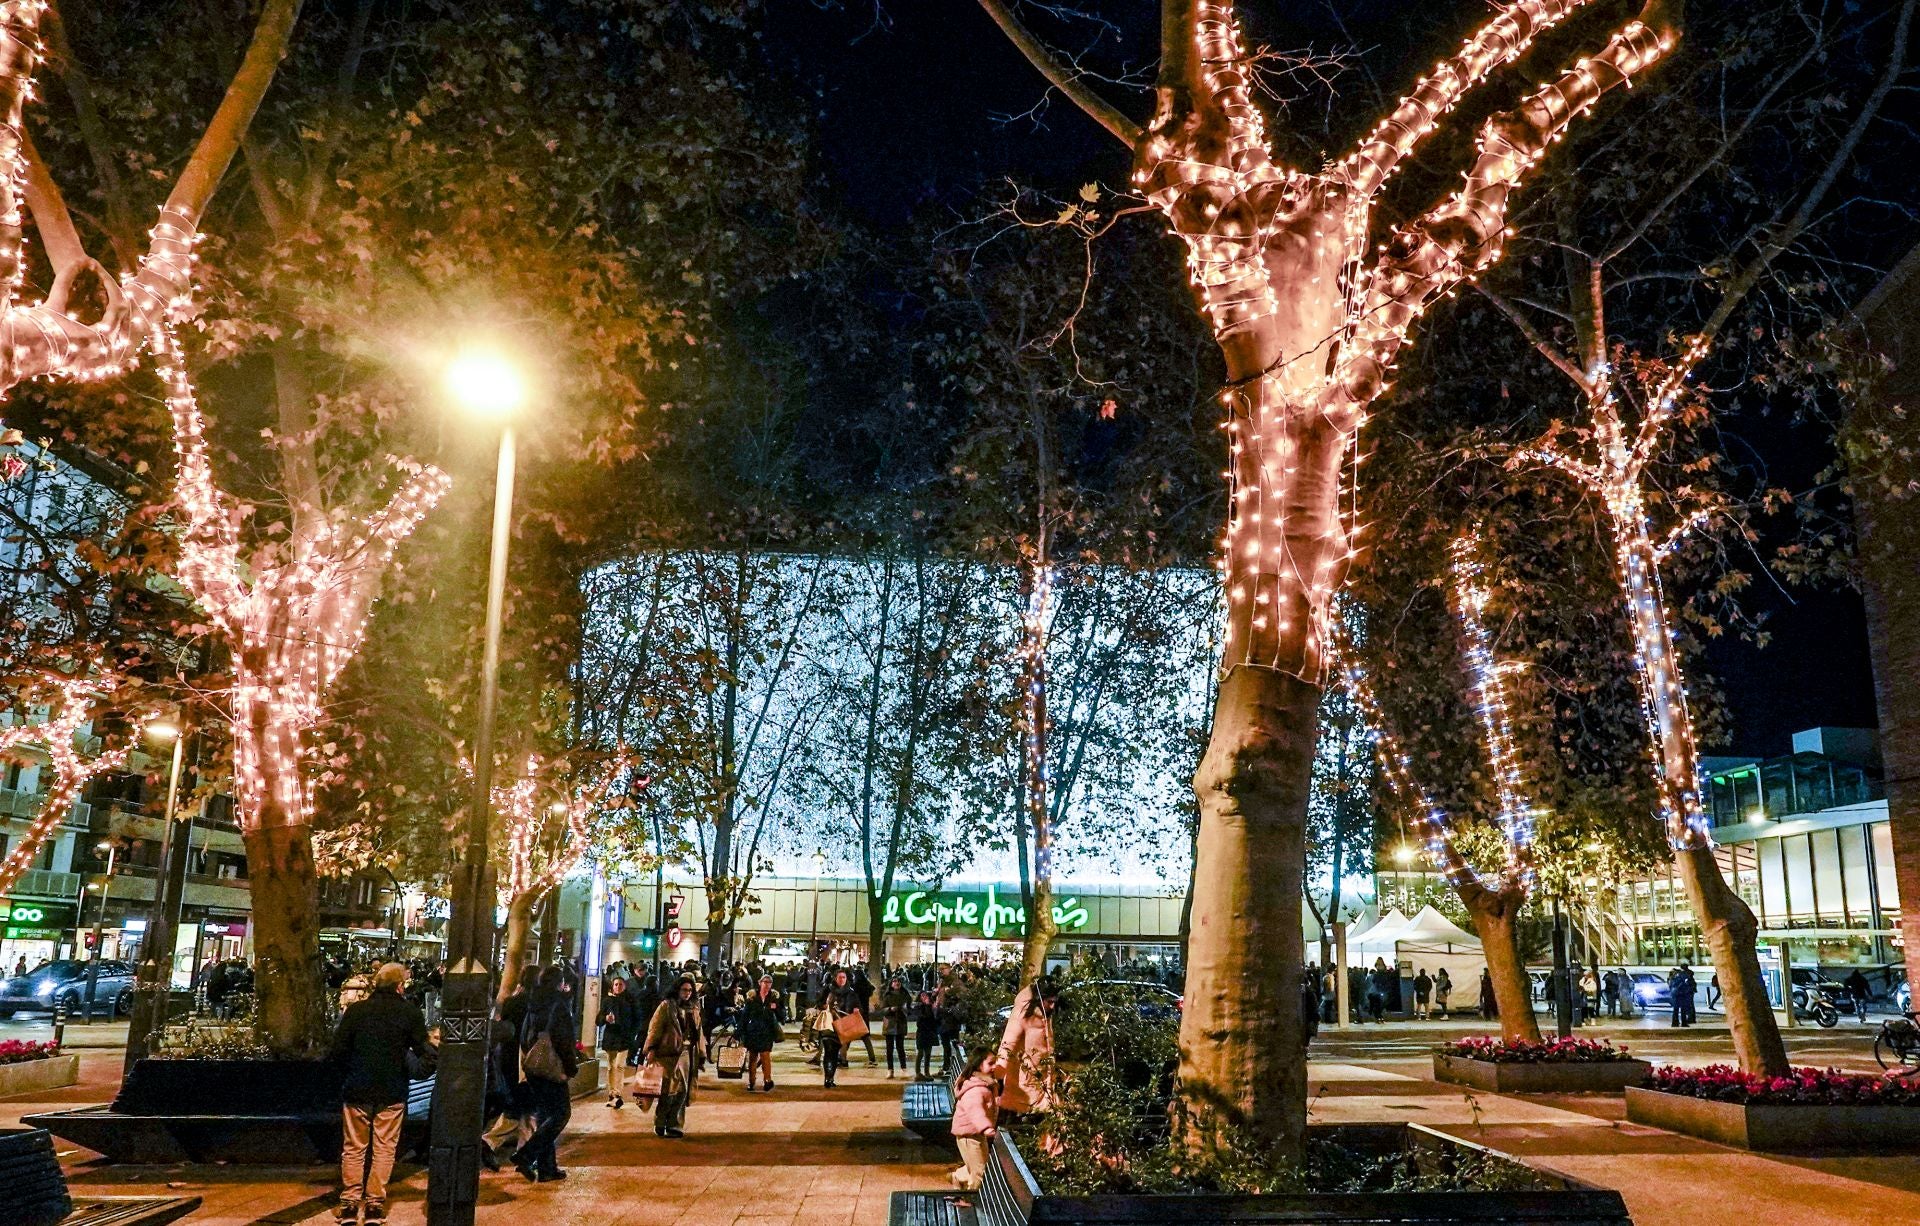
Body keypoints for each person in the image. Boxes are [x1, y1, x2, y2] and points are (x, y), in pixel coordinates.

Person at [328, 962, 433, 1225]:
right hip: (392, 1090)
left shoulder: (357, 1011)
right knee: (385, 1148)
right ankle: (375, 1204)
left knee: (354, 1147)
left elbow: (338, 1051)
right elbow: (424, 1050)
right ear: (400, 986)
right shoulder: (409, 1013)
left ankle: (350, 1203)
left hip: (357, 1088)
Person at [515, 966, 579, 1182]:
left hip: (534, 1066)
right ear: (559, 983)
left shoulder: (533, 1003)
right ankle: (526, 1154)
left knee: (545, 1115)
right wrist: (571, 1067)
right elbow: (564, 1041)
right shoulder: (558, 1006)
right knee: (561, 1113)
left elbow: (524, 1035)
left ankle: (547, 1168)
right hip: (552, 1067)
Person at [644, 976, 704, 1135]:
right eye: (684, 990)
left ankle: (675, 1124)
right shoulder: (667, 1006)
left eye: (690, 990)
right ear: (677, 990)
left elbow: (699, 1032)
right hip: (668, 1053)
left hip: (687, 1052)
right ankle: (660, 1121)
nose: (687, 993)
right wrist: (651, 1049)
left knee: (682, 1090)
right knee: (667, 1090)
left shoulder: (694, 1008)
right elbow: (655, 1028)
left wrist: (702, 1053)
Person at [996, 978, 1058, 1121]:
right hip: (1025, 1080)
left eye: (1055, 1001)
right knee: (1025, 1119)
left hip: (1041, 1078)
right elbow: (1008, 1043)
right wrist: (999, 1073)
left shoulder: (1044, 1015)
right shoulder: (1023, 1013)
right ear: (1039, 998)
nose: (1053, 1006)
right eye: (1049, 1002)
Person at [950, 1049, 1002, 1192]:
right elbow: (976, 1112)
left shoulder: (986, 1084)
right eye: (990, 1063)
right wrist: (986, 1128)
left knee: (978, 1164)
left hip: (976, 1134)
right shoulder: (976, 1090)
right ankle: (970, 1199)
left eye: (995, 1062)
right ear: (979, 1065)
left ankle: (958, 1176)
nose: (995, 1066)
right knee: (980, 1172)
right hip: (969, 1135)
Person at [598, 974, 640, 1109]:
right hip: (611, 1037)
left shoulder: (631, 1001)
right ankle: (611, 1093)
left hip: (624, 1038)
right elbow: (598, 1020)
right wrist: (605, 1018)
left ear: (625, 986)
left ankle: (617, 1094)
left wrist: (632, 1034)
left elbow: (637, 1019)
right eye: (616, 984)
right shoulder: (607, 1001)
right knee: (610, 1067)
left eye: (620, 984)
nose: (618, 987)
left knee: (619, 1065)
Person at [818, 968, 863, 1089]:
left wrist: (856, 1009)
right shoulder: (828, 990)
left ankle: (830, 1077)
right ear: (835, 978)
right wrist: (825, 1006)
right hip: (829, 1024)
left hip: (844, 1026)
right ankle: (828, 1078)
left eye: (844, 977)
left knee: (835, 1053)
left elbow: (857, 1006)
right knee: (829, 1051)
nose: (842, 980)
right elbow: (819, 1003)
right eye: (840, 977)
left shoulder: (851, 992)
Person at [739, 974, 784, 1091]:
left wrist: (776, 1007)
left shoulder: (773, 998)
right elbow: (744, 1016)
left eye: (769, 982)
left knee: (765, 1056)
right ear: (760, 983)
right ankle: (751, 1081)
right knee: (753, 1057)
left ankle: (767, 1080)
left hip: (767, 1032)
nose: (767, 984)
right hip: (753, 1031)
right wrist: (738, 1033)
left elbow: (781, 1014)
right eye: (765, 982)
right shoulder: (752, 998)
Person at [879, 974, 911, 1078]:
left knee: (900, 1047)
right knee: (889, 1048)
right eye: (894, 981)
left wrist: (905, 1010)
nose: (897, 983)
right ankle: (890, 1069)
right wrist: (889, 1009)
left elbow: (910, 1008)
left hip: (901, 1022)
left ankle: (903, 1068)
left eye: (898, 981)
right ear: (891, 984)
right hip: (890, 1024)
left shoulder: (905, 995)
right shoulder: (887, 996)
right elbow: (882, 1010)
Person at [912, 990, 940, 1080]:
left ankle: (926, 1072)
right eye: (922, 996)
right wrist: (928, 1005)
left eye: (926, 995)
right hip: (922, 1032)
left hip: (930, 1032)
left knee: (928, 1053)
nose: (925, 997)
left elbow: (935, 1018)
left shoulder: (931, 1006)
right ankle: (918, 1073)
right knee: (920, 1053)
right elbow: (925, 1016)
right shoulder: (918, 1007)